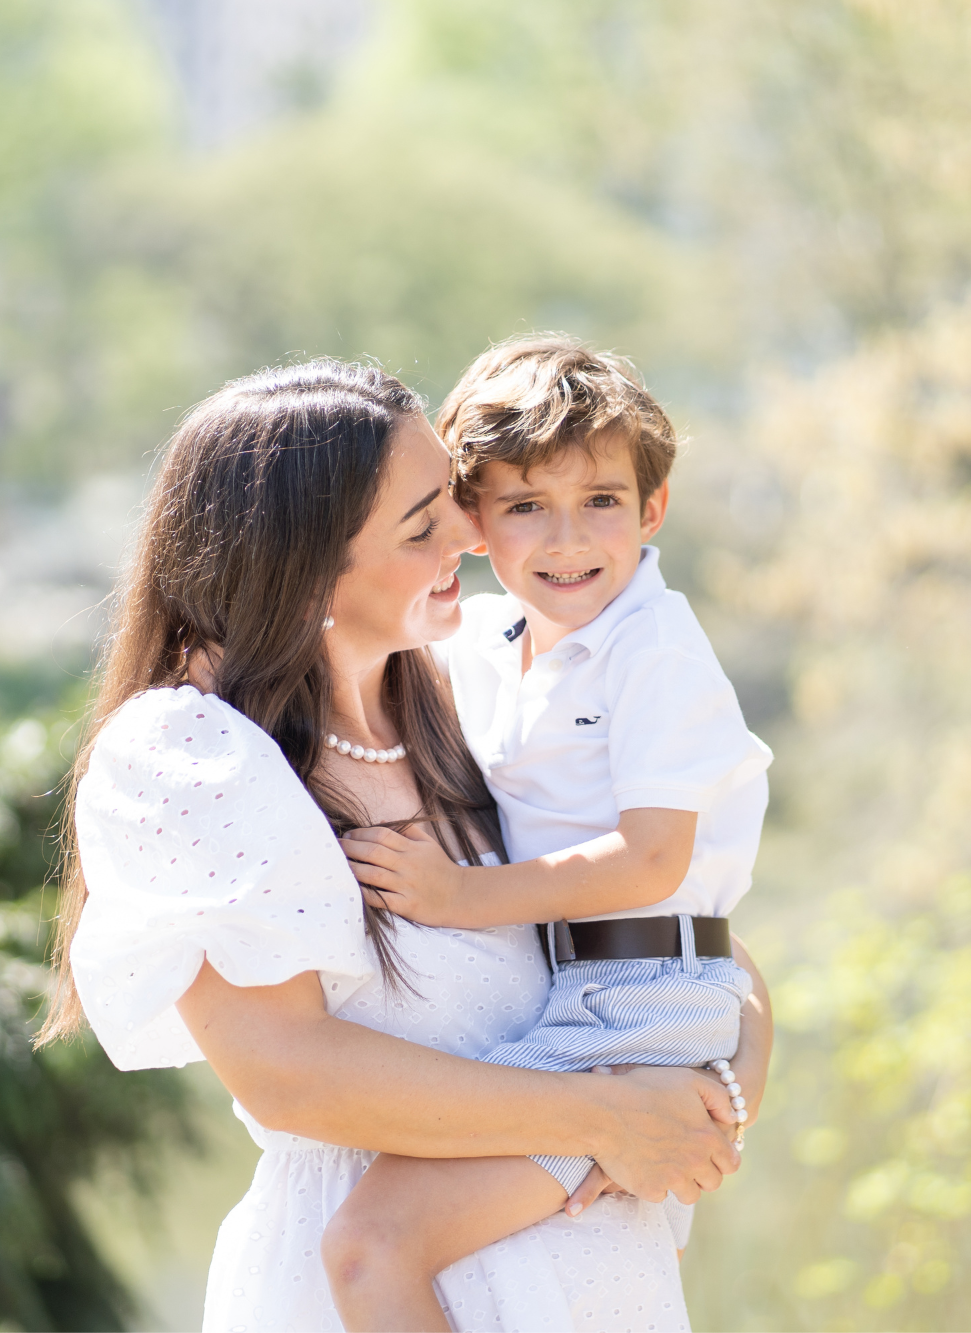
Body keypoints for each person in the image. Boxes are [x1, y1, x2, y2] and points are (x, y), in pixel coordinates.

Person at [41, 358, 770, 1332]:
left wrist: (715, 1093)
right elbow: (286, 1071)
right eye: (425, 523)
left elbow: (691, 927)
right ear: (298, 565)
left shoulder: (466, 692)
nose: (475, 535)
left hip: (592, 1279)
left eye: (458, 502)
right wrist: (604, 1118)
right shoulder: (196, 755)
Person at [325, 336, 774, 1332]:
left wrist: (452, 898)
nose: (565, 539)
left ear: (651, 511)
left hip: (638, 1002)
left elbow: (654, 858)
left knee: (370, 1247)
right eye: (526, 505)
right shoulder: (480, 644)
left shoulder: (652, 649)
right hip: (569, 990)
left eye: (600, 502)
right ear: (472, 520)